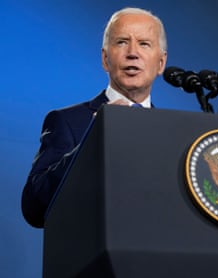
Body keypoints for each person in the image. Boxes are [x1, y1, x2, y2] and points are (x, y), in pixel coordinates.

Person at [21, 7, 168, 228]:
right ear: (105, 59)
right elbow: (34, 207)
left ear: (161, 63)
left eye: (144, 43)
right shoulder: (68, 122)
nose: (132, 52)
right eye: (121, 42)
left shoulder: (171, 131)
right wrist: (91, 142)